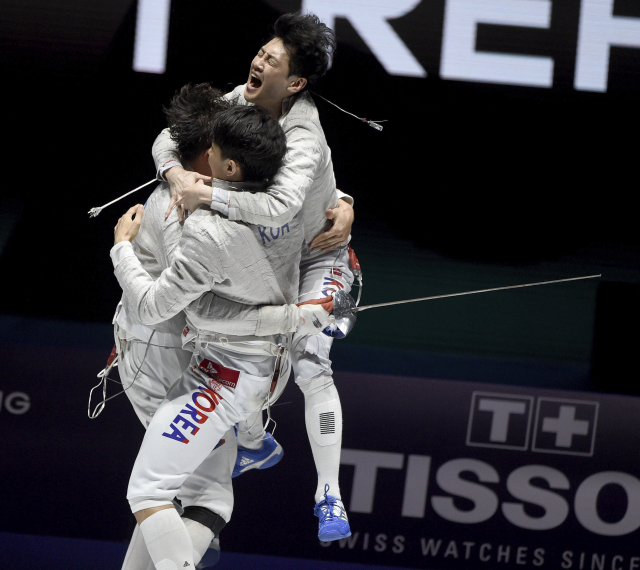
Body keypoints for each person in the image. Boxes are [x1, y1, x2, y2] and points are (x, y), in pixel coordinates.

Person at [153, 12, 356, 541]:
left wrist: (209, 194)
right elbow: (168, 140)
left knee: (311, 362)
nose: (258, 62)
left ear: (295, 83)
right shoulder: (238, 103)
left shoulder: (304, 132)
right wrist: (178, 176)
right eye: (262, 52)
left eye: (273, 61)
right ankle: (254, 440)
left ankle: (329, 496)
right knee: (231, 344)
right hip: (269, 260)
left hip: (316, 256)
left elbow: (284, 207)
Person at [112, 98, 333, 570]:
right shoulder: (282, 203)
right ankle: (252, 440)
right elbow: (317, 197)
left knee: (165, 489)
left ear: (223, 163)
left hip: (210, 372)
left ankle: (251, 442)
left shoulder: (198, 227)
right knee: (198, 489)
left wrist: (120, 250)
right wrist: (343, 205)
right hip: (259, 368)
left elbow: (161, 309)